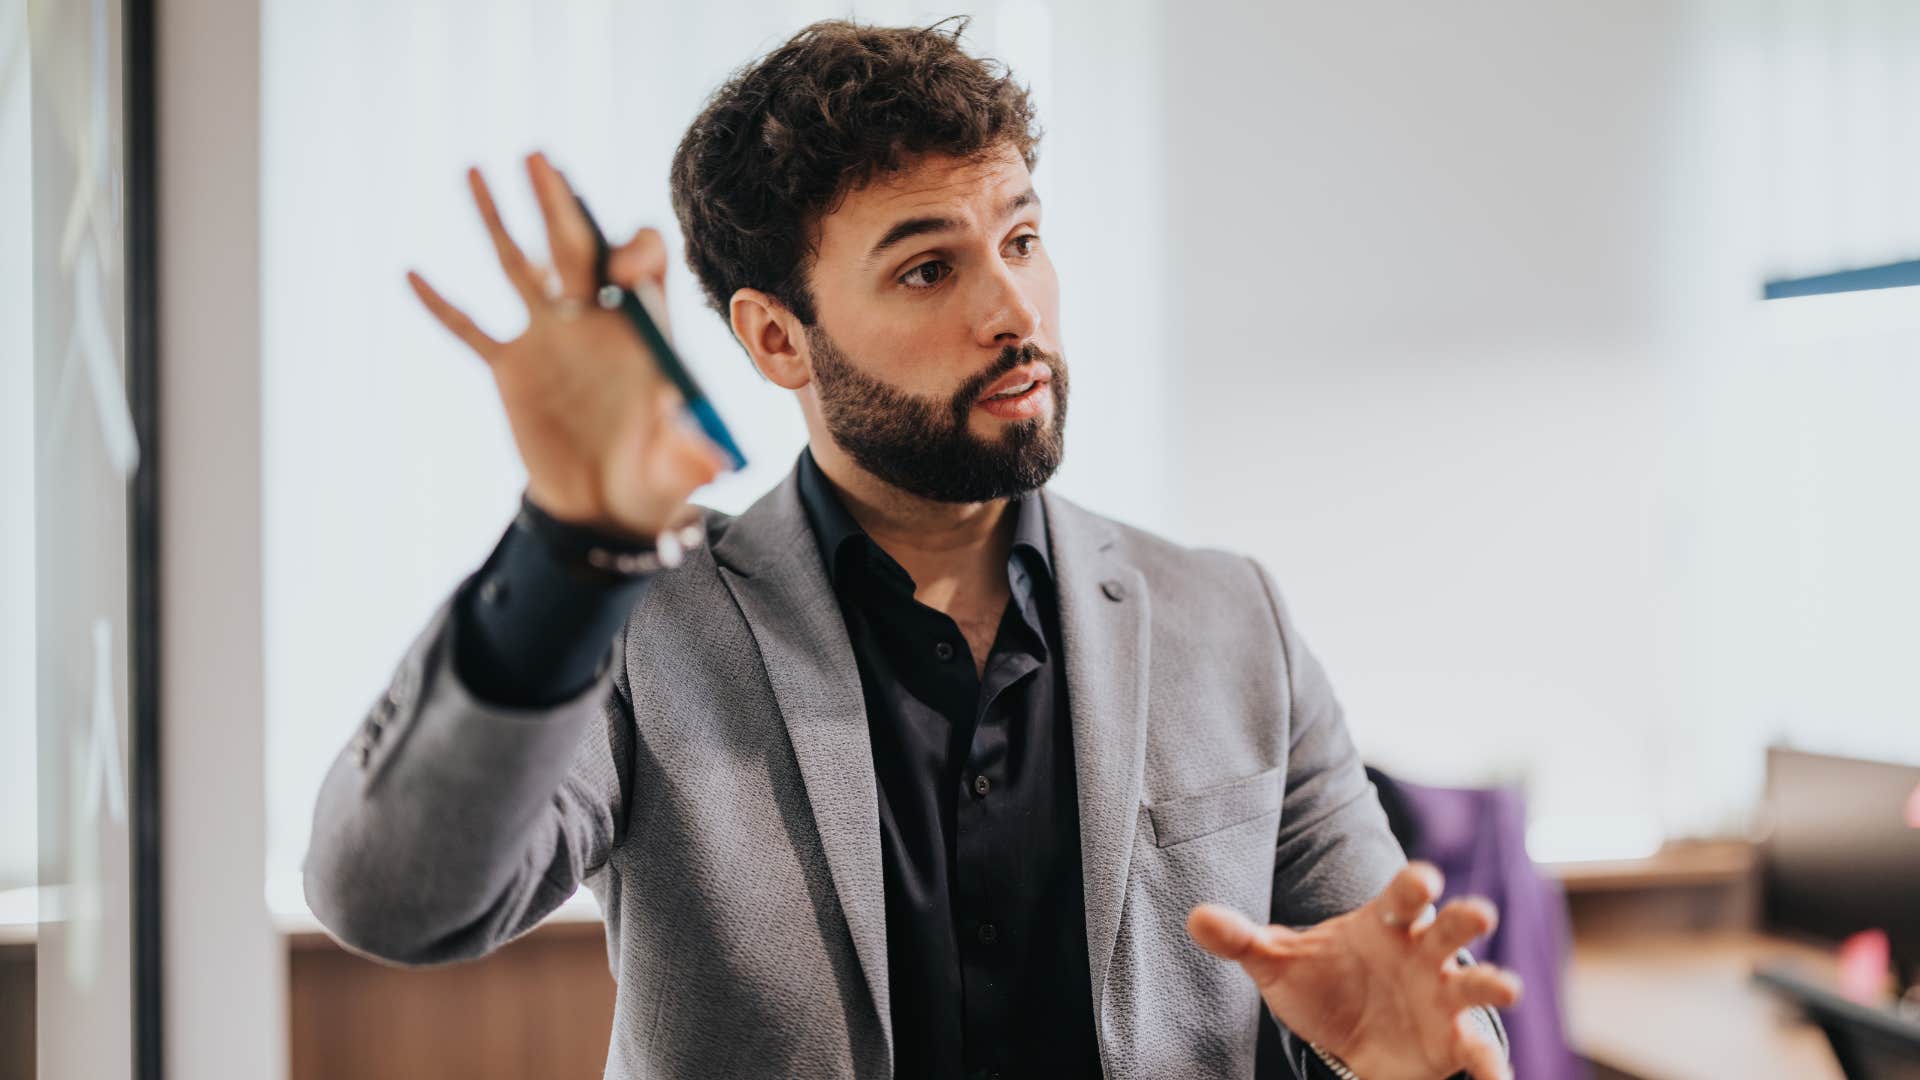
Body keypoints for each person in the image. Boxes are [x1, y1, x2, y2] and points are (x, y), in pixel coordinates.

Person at [304, 18, 1519, 1080]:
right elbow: (394, 900)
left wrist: (1412, 1071)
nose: (1013, 312)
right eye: (930, 267)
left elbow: (1387, 997)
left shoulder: (1228, 620)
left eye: (1024, 240)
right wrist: (573, 545)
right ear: (780, 340)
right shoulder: (647, 626)